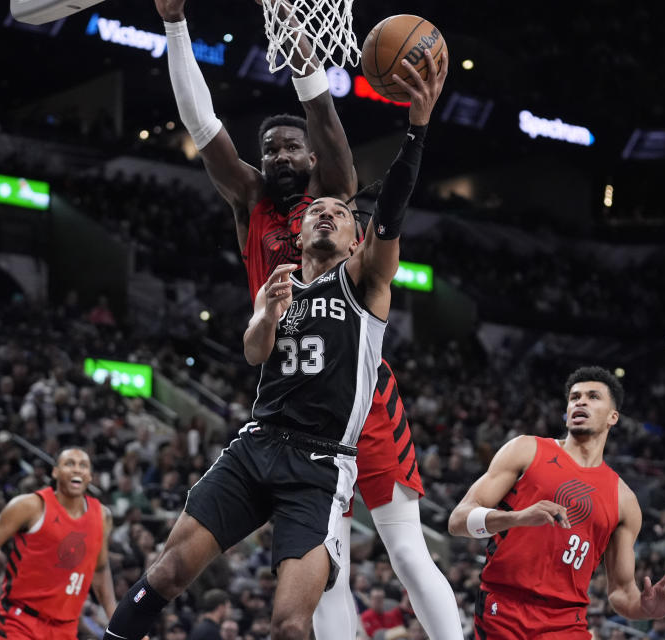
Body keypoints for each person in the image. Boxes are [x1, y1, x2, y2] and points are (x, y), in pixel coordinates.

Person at [104, 44, 445, 640]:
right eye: (271, 150)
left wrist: (403, 120)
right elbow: (203, 127)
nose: (321, 213)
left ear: (353, 233)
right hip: (261, 433)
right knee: (169, 569)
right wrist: (263, 314)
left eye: (335, 214)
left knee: (379, 565)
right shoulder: (256, 212)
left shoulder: (358, 267)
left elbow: (386, 199)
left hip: (325, 445)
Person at [448, 366, 665, 638]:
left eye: (593, 396)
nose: (580, 401)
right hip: (503, 610)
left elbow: (621, 591)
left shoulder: (624, 500)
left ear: (613, 417)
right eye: (574, 397)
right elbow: (457, 521)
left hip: (566, 624)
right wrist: (518, 517)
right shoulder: (526, 449)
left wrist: (645, 609)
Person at [0, 448, 116, 640]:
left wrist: (120, 623)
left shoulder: (101, 517)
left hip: (66, 628)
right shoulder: (30, 506)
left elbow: (100, 569)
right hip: (21, 623)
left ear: (89, 476)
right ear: (55, 472)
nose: (77, 470)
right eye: (69, 464)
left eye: (83, 466)